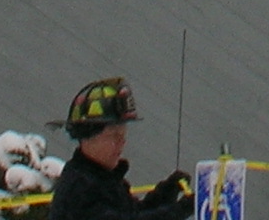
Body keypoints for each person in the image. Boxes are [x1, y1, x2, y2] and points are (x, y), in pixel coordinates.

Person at [49, 78, 191, 220]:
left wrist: (165, 193)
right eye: (114, 136)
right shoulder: (79, 189)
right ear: (87, 137)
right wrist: (178, 211)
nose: (122, 143)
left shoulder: (104, 180)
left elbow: (133, 214)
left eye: (123, 135)